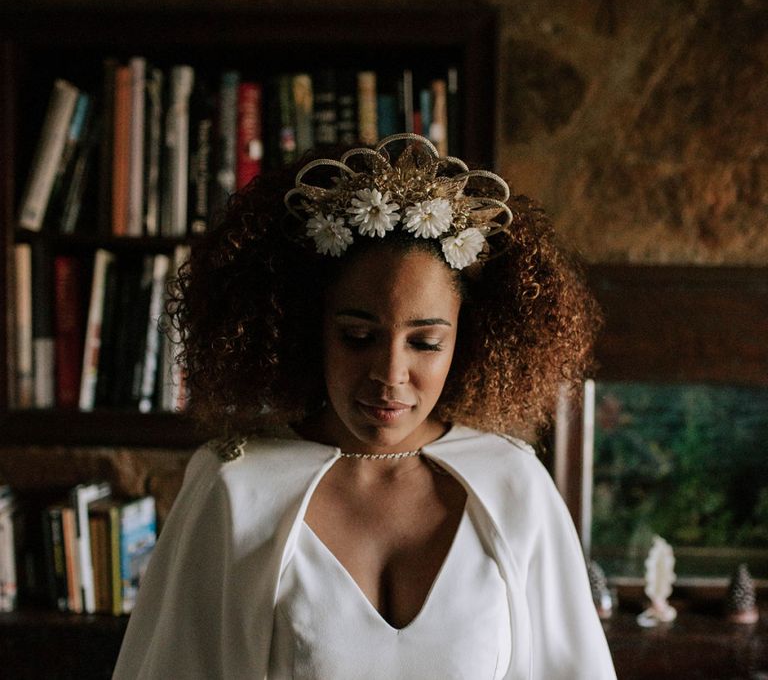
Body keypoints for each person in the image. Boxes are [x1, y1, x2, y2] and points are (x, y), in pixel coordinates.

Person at [113, 134, 616, 679]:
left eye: (425, 343)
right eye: (358, 336)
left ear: (466, 343)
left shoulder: (514, 484)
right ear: (309, 330)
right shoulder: (232, 484)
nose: (390, 375)